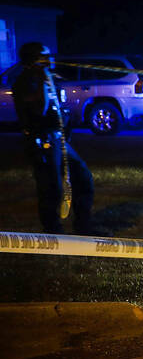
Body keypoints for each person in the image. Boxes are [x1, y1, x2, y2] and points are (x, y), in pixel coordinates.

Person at [11, 41, 99, 235]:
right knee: (51, 188)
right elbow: (39, 110)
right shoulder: (26, 81)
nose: (50, 59)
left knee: (82, 177)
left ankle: (84, 225)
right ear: (35, 59)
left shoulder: (46, 76)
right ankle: (53, 232)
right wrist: (42, 80)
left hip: (59, 139)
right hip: (43, 141)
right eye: (45, 56)